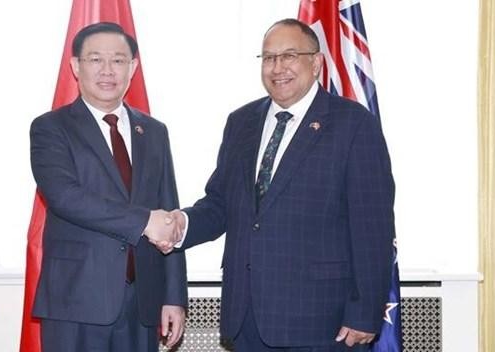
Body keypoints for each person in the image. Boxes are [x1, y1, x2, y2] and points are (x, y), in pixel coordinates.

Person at [167, 18, 395, 351]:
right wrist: (179, 225)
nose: (278, 67)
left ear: (315, 63)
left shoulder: (353, 124)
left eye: (289, 55)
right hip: (247, 319)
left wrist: (365, 311)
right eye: (269, 57)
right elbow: (220, 204)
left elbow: (373, 227)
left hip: (322, 323)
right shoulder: (241, 122)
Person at [29, 22, 187, 352]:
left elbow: (169, 212)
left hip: (141, 303)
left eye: (118, 60)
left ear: (133, 67)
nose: (107, 70)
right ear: (75, 66)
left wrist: (173, 296)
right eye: (95, 59)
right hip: (75, 301)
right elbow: (65, 197)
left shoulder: (154, 132)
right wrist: (144, 221)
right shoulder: (51, 128)